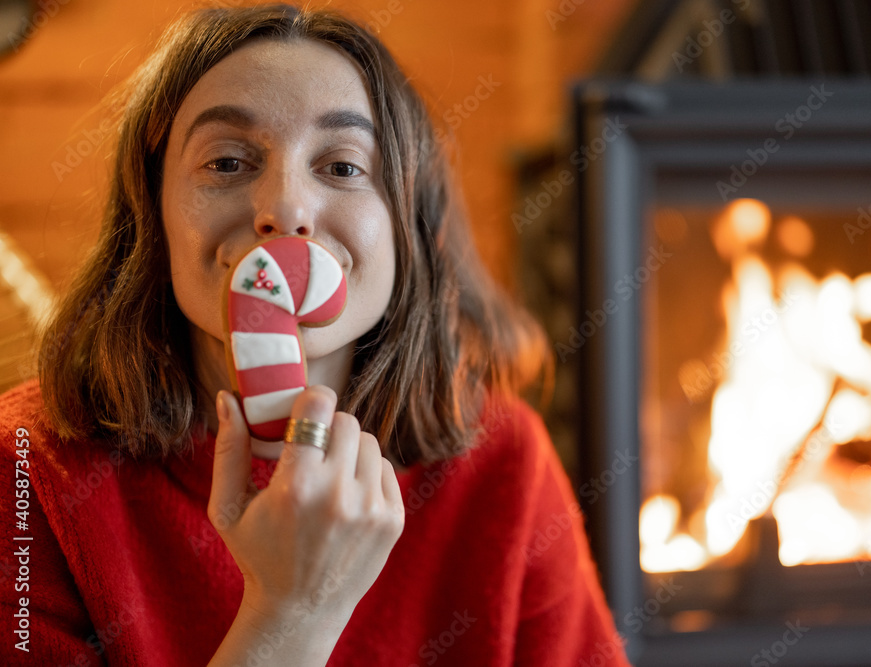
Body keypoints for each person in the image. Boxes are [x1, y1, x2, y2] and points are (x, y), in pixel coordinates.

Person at [0, 4, 632, 666]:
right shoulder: (32, 469)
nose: (286, 209)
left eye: (341, 166)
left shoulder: (500, 457)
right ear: (153, 219)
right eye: (227, 162)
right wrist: (291, 612)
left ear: (405, 228)